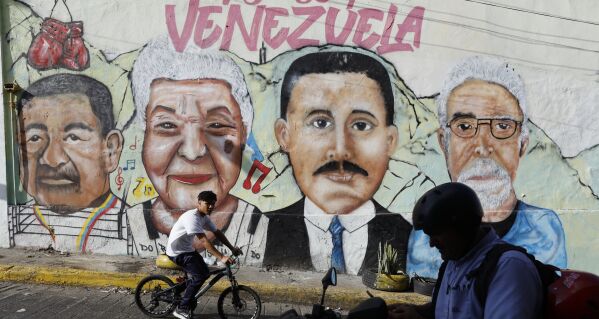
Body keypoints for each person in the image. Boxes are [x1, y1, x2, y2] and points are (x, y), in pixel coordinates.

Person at [408, 56, 567, 278]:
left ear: (522, 143)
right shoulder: (427, 237)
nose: (482, 147)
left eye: (503, 126)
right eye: (464, 126)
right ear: (444, 143)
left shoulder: (544, 229)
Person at [263, 51, 415, 275]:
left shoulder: (408, 236)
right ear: (284, 136)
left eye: (361, 125)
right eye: (320, 122)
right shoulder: (265, 230)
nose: (341, 150)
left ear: (389, 141)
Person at [388, 182, 543, 319]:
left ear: (463, 226)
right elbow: (450, 312)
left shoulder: (508, 267)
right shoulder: (454, 261)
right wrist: (412, 313)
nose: (432, 243)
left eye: (437, 233)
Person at [127, 36, 267, 263]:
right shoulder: (113, 222)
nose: (193, 152)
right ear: (143, 134)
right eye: (167, 125)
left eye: (217, 125)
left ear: (243, 133)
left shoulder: (277, 230)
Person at [14, 73, 128, 253]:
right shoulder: (17, 223)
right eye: (34, 138)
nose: (52, 159)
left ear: (110, 151)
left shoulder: (140, 230)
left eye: (73, 137)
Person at [167, 190, 242, 319]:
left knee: (204, 273)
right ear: (199, 203)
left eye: (213, 204)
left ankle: (178, 290)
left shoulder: (204, 217)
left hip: (187, 250)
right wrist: (222, 257)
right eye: (208, 203)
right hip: (177, 253)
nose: (211, 207)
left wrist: (232, 248)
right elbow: (203, 241)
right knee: (200, 275)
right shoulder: (192, 217)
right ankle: (182, 308)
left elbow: (217, 233)